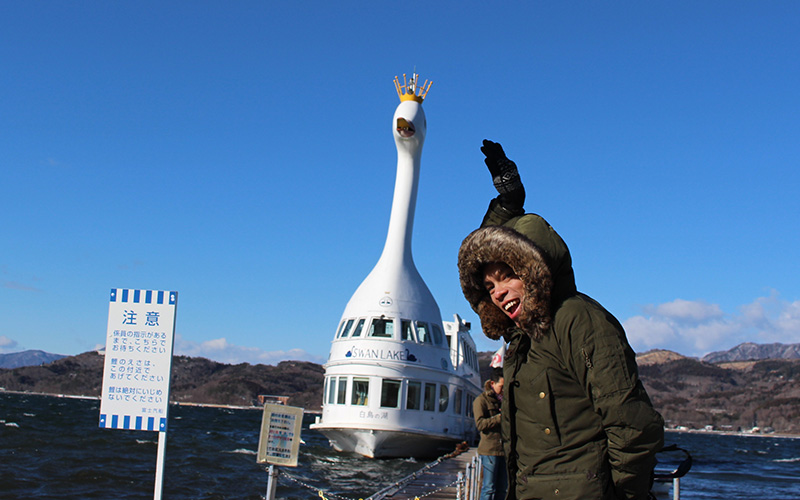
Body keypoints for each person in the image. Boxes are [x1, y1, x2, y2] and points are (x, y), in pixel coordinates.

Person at [457, 140, 665, 500]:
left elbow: (632, 425)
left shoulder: (577, 321)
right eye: (489, 286)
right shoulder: (523, 342)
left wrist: (623, 494)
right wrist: (508, 204)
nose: (497, 293)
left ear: (535, 270)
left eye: (507, 276)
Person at [473, 369, 508, 500]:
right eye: (501, 386)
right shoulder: (481, 400)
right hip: (489, 450)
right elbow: (480, 424)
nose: (503, 390)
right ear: (493, 383)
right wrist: (499, 418)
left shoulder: (505, 400)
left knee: (502, 488)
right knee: (489, 488)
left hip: (504, 450)